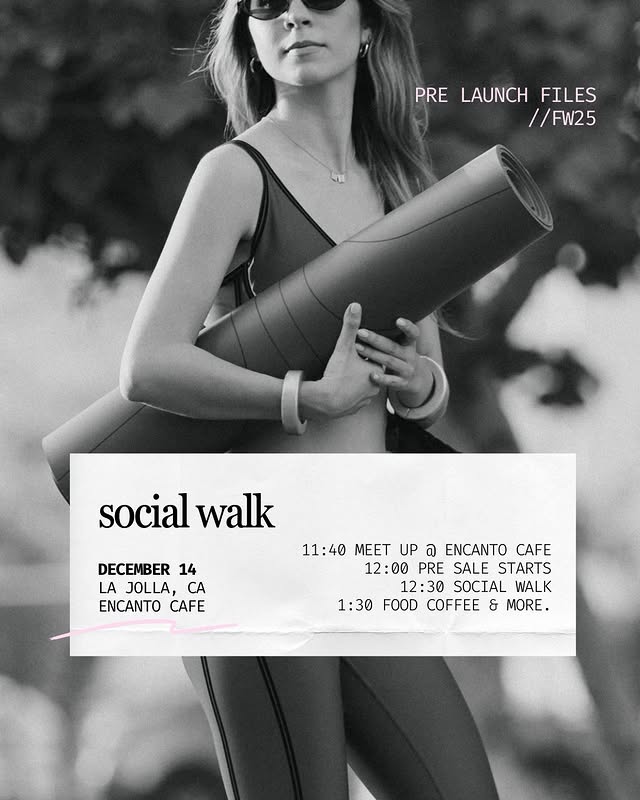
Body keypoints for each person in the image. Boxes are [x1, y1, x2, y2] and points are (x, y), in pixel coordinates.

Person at [120, 1, 500, 797]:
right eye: (266, 4)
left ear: (367, 27)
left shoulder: (397, 180)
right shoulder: (234, 173)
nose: (294, 13)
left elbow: (426, 377)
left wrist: (419, 385)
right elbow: (147, 365)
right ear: (250, 40)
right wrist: (306, 398)